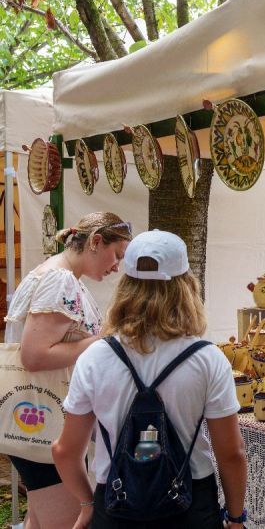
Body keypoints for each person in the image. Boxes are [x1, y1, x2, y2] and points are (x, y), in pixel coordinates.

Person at [52, 230, 247, 529]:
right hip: (190, 507)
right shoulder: (208, 359)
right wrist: (235, 518)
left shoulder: (94, 358)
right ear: (186, 286)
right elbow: (231, 454)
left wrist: (88, 503)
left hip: (117, 505)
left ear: (125, 287)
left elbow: (64, 451)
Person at [5, 212, 132, 529]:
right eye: (117, 255)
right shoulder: (59, 280)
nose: (117, 266)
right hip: (46, 418)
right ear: (96, 242)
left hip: (38, 414)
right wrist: (104, 340)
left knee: (41, 519)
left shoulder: (54, 274)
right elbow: (34, 356)